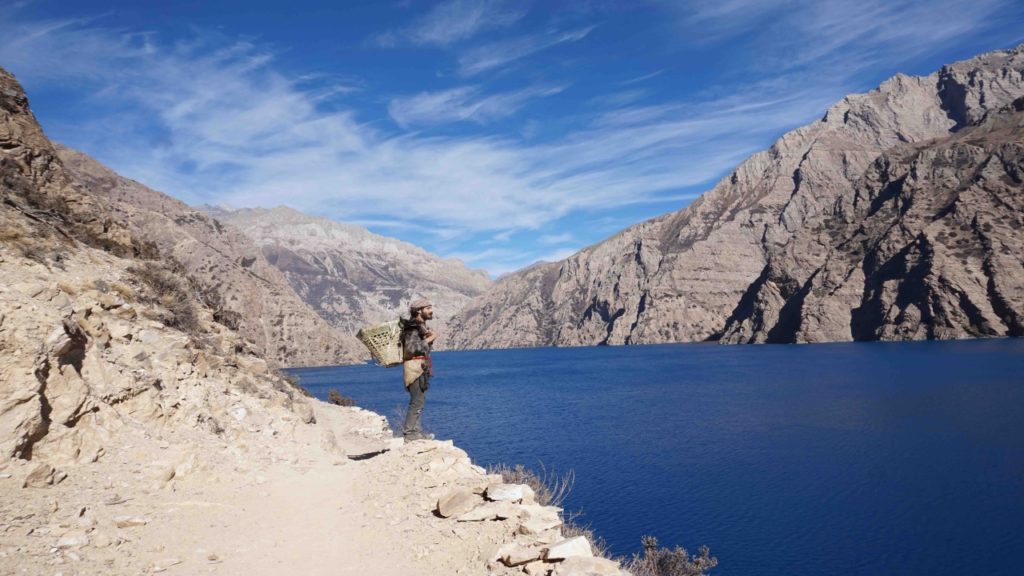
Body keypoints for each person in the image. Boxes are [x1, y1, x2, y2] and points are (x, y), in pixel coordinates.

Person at [401, 298, 437, 442]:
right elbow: (410, 349)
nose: (431, 310)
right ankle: (410, 435)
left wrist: (429, 339)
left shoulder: (419, 327)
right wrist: (431, 338)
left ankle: (416, 433)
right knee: (416, 401)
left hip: (420, 367)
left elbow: (421, 348)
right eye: (427, 308)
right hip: (414, 368)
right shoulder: (412, 327)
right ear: (418, 311)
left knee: (419, 401)